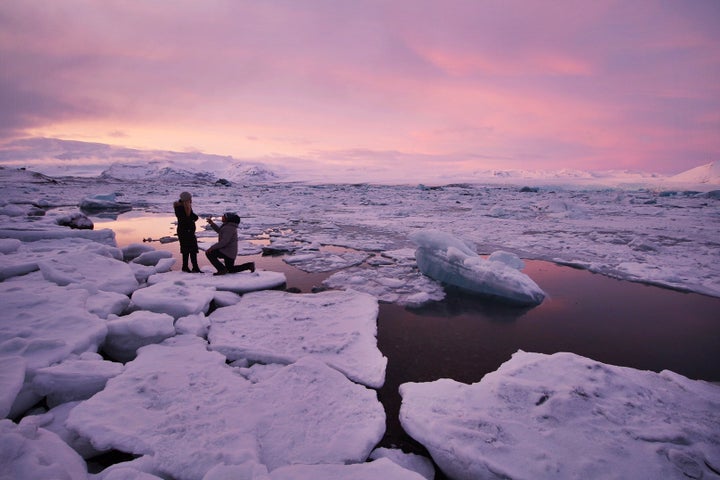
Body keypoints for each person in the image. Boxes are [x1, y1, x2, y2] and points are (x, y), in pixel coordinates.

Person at [173, 191, 201, 273]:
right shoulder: (180, 208)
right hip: (184, 232)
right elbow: (184, 220)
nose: (191, 200)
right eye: (190, 198)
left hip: (188, 231)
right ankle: (186, 267)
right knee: (187, 249)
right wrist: (191, 220)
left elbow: (193, 216)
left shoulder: (187, 207)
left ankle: (194, 267)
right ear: (186, 199)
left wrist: (193, 218)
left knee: (192, 249)